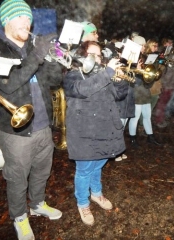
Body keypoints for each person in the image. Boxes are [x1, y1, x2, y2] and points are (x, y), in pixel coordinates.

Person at [0, 0, 63, 239]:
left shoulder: (33, 48)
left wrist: (53, 57)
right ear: (7, 20)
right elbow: (7, 86)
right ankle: (19, 216)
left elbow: (53, 81)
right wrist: (37, 55)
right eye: (20, 18)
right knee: (17, 178)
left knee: (42, 170)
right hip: (16, 132)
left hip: (42, 126)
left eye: (28, 18)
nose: (26, 23)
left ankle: (37, 203)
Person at [63, 41, 128, 225]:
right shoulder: (72, 76)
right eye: (92, 54)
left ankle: (96, 194)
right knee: (84, 170)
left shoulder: (103, 74)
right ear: (81, 56)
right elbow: (83, 90)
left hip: (104, 129)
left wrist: (121, 79)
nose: (97, 58)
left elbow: (119, 95)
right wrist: (107, 73)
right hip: (83, 132)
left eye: (99, 55)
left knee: (98, 165)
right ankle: (82, 202)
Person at [128, 36, 161, 147]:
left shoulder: (145, 56)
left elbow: (149, 73)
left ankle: (150, 137)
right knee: (135, 117)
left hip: (145, 90)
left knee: (147, 116)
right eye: (141, 45)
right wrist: (137, 70)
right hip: (136, 91)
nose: (143, 47)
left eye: (143, 45)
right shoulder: (130, 57)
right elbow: (130, 77)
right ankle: (132, 138)